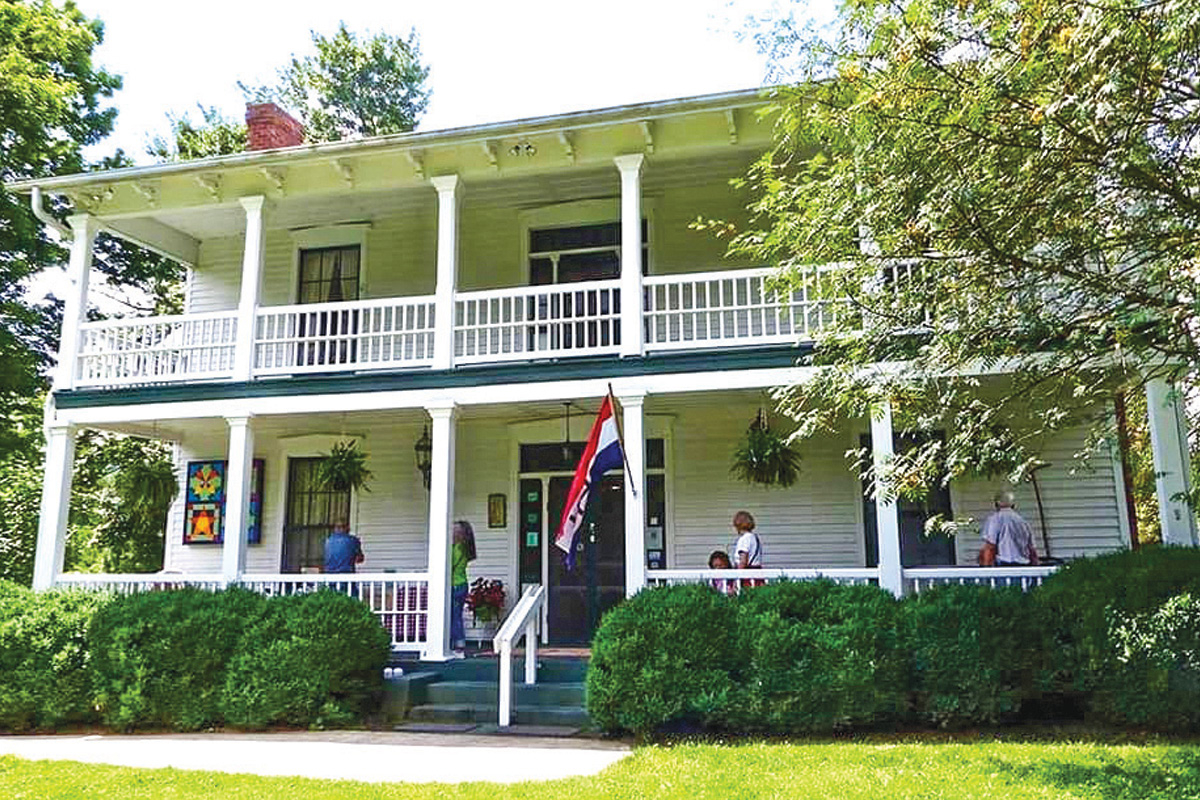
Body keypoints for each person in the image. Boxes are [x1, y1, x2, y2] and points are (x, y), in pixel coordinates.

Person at [978, 491, 1040, 566]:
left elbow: (990, 547)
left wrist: (986, 570)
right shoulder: (1023, 522)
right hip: (1024, 567)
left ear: (996, 504)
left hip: (1004, 566)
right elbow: (1032, 551)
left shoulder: (994, 520)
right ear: (1013, 505)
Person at [450, 520, 477, 658]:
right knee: (456, 615)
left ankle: (458, 646)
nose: (451, 532)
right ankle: (458, 644)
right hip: (462, 584)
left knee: (454, 617)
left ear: (460, 533)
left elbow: (449, 563)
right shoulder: (465, 548)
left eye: (454, 530)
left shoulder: (457, 548)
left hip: (455, 585)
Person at [730, 510, 764, 588]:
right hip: (757, 573)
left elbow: (743, 561)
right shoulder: (754, 537)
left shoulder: (744, 539)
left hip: (748, 576)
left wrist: (736, 580)